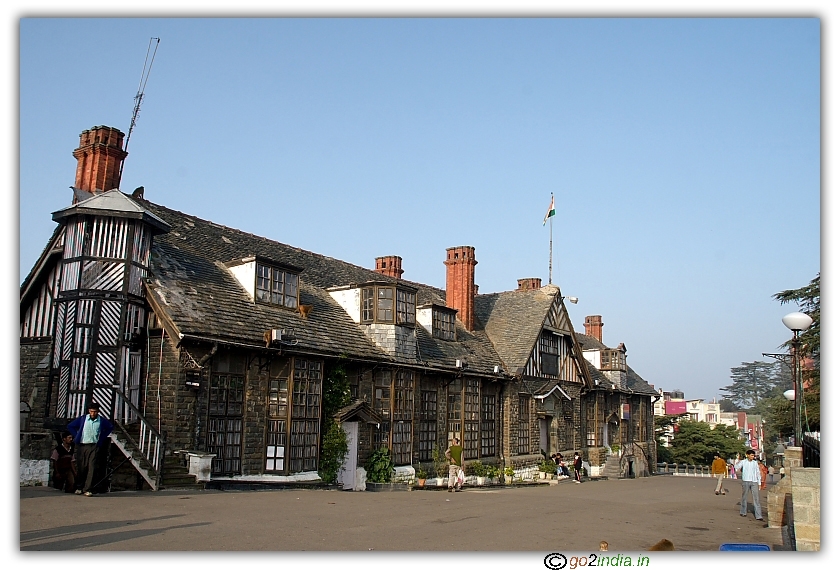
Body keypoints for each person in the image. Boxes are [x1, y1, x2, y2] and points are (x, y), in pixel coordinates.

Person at [67, 403, 114, 496]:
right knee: (82, 467)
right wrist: (77, 436)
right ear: (89, 411)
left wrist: (102, 437)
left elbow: (110, 427)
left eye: (95, 412)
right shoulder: (83, 419)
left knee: (91, 467)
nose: (93, 413)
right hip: (82, 445)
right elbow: (70, 426)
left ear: (98, 412)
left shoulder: (101, 420)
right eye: (92, 411)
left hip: (94, 445)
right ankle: (79, 487)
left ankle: (87, 489)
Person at [734, 449, 763, 521]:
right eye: (751, 455)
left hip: (754, 481)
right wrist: (737, 459)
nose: (752, 457)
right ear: (747, 455)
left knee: (756, 498)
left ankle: (758, 515)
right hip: (746, 481)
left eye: (753, 455)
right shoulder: (743, 462)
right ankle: (743, 511)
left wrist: (759, 483)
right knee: (744, 497)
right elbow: (736, 467)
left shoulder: (755, 463)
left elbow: (757, 472)